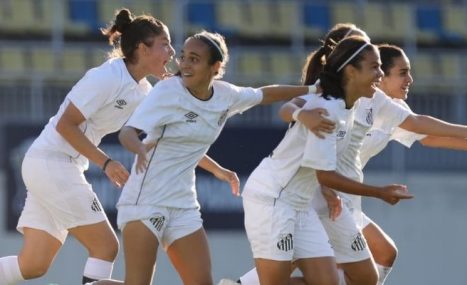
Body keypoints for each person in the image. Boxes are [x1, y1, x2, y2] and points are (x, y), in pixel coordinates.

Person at [89, 30, 324, 285]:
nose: (185, 64)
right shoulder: (168, 91)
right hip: (144, 201)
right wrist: (139, 148)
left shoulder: (226, 95)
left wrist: (313, 89)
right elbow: (127, 133)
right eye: (183, 57)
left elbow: (264, 94)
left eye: (194, 59)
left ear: (216, 67)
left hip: (183, 204)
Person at [281, 43, 467, 285]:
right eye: (402, 72)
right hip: (323, 194)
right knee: (322, 269)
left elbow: (428, 136)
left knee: (381, 255)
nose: (410, 79)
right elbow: (305, 129)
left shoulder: (389, 109)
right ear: (380, 77)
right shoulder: (351, 102)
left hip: (344, 198)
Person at [0, 8, 176, 285]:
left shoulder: (144, 90)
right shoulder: (106, 76)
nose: (172, 52)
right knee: (106, 247)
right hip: (52, 163)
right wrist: (106, 162)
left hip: (52, 167)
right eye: (165, 44)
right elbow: (65, 125)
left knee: (33, 264)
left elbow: (158, 128)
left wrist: (177, 93)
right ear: (142, 48)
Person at [241, 35, 414, 285]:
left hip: (300, 205)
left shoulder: (349, 106)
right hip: (273, 200)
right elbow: (325, 175)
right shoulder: (329, 110)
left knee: (355, 279)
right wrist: (379, 192)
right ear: (351, 72)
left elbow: (289, 111)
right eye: (374, 67)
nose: (380, 74)